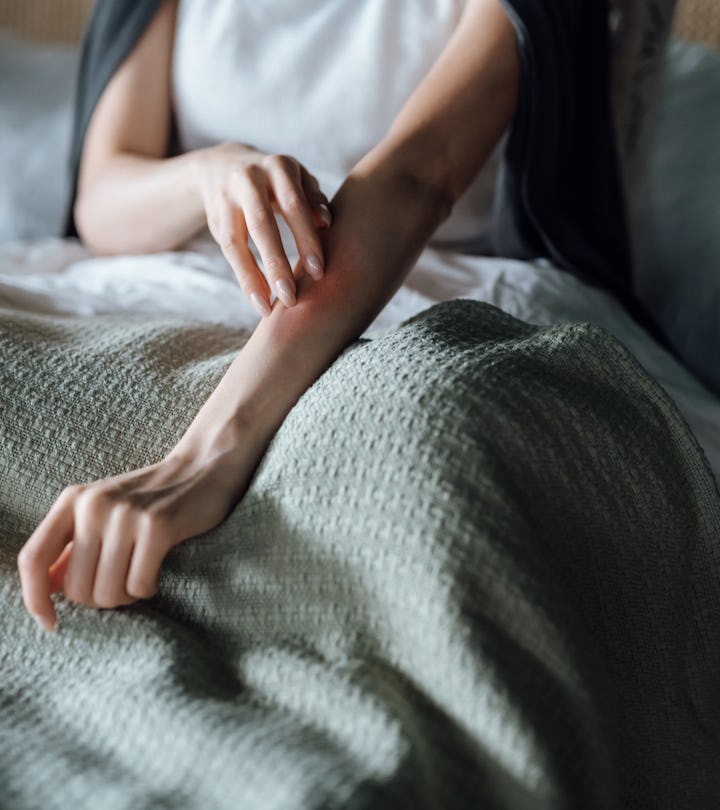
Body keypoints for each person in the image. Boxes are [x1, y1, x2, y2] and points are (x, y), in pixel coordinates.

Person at [17, 0, 629, 632]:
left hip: (419, 287)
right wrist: (207, 175)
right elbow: (103, 196)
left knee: (425, 435)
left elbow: (418, 175)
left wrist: (205, 456)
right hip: (167, 277)